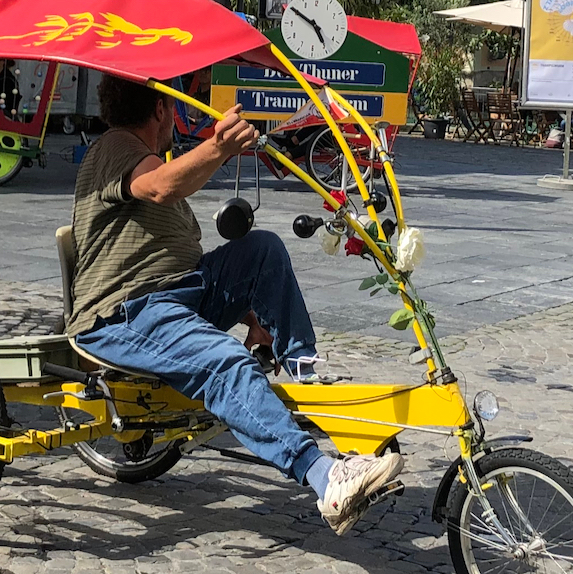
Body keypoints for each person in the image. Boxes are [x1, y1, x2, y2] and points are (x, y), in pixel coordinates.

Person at [67, 74, 403, 535]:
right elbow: (161, 186)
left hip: (179, 291)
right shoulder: (116, 147)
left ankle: (305, 374)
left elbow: (177, 195)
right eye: (174, 109)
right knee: (225, 363)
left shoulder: (144, 155)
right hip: (128, 311)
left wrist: (252, 313)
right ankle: (325, 479)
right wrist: (218, 147)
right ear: (162, 110)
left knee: (261, 248)